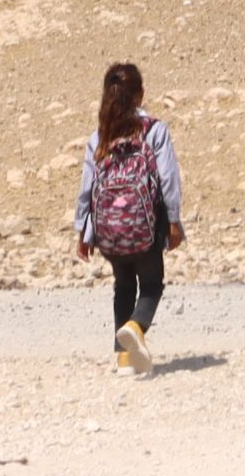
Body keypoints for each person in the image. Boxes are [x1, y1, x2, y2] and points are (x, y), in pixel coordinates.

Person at [72, 58, 184, 373]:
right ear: (141, 95)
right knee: (151, 284)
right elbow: (168, 179)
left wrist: (84, 231)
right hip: (145, 229)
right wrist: (173, 220)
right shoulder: (154, 130)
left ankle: (124, 358)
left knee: (123, 286)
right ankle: (135, 329)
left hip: (109, 232)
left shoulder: (100, 137)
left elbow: (87, 187)